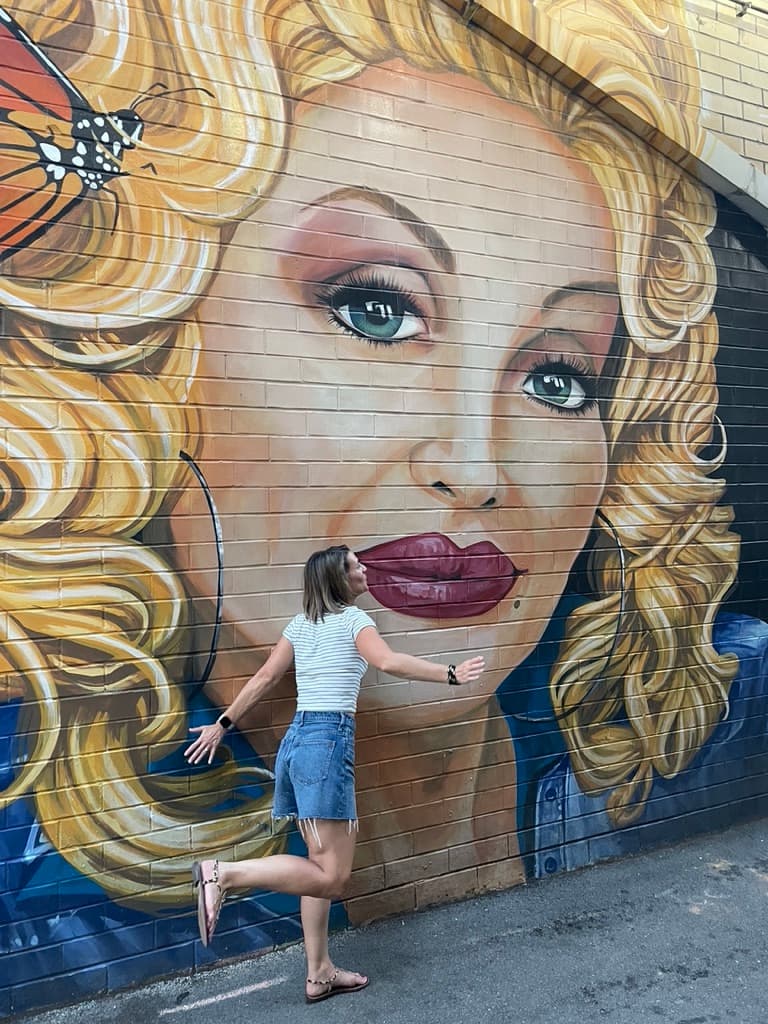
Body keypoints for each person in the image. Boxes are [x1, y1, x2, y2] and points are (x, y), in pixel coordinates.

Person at [0, 0, 766, 998]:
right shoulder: (45, 901)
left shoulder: (713, 705)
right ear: (147, 354)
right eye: (375, 310)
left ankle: (318, 961)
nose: (475, 466)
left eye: (557, 375)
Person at [184, 543, 484, 1002]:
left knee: (316, 868)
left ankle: (319, 972)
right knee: (334, 877)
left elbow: (265, 677)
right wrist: (449, 674)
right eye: (355, 567)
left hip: (299, 743)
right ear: (338, 580)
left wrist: (222, 725)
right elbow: (387, 661)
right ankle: (223, 874)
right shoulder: (354, 621)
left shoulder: (301, 625)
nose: (364, 570)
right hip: (326, 743)